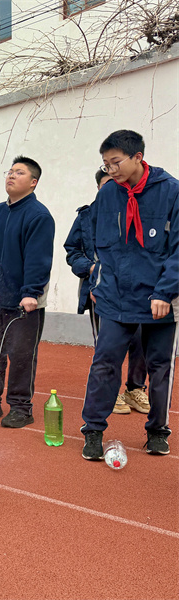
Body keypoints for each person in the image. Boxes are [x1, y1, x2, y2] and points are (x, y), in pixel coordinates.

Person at [81, 130, 178, 459]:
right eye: (106, 165)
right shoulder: (108, 194)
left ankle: (157, 431)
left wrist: (164, 291)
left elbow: (178, 250)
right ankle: (93, 430)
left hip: (159, 300)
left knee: (159, 367)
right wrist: (99, 282)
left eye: (116, 162)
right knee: (104, 364)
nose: (111, 170)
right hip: (116, 297)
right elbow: (98, 242)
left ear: (138, 157)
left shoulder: (172, 192)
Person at [0, 156, 55, 428]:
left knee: (21, 355)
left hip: (23, 301)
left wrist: (30, 293)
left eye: (19, 173)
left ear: (33, 182)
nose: (11, 176)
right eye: (9, 171)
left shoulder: (39, 216)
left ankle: (21, 407)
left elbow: (39, 260)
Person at [64, 170, 148, 415]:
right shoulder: (86, 216)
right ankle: (111, 393)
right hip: (100, 292)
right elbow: (72, 251)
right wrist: (92, 270)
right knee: (107, 346)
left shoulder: (137, 210)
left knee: (140, 342)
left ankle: (135, 389)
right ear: (99, 189)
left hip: (136, 292)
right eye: (106, 184)